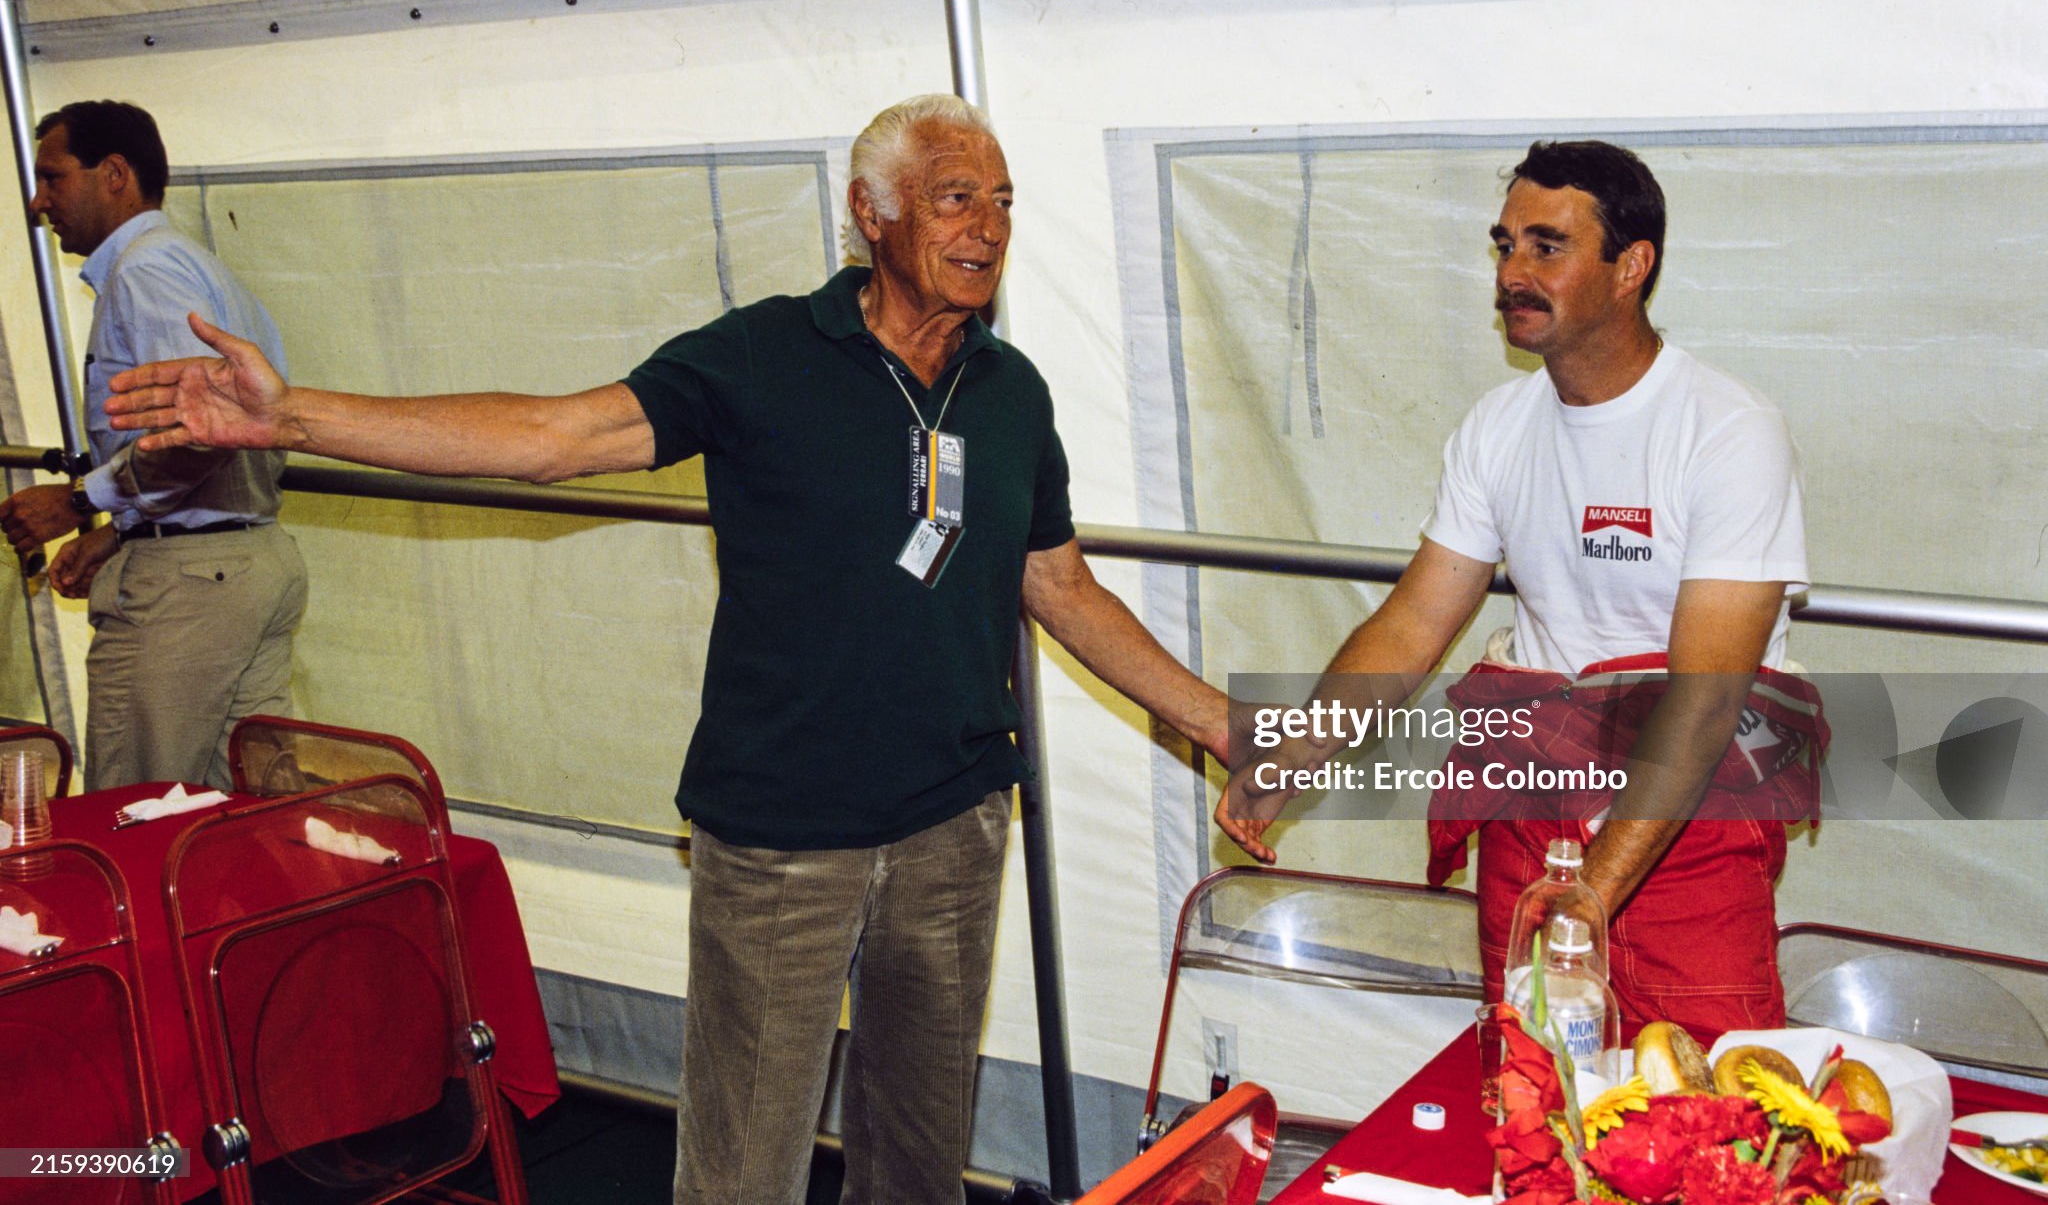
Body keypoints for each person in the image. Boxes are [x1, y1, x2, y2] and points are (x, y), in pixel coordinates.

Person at [105, 94, 1230, 1205]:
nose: (985, 226)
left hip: (953, 824)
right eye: (952, 199)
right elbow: (553, 436)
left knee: (918, 1165)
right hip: (783, 836)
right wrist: (295, 416)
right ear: (870, 213)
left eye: (1000, 202)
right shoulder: (762, 355)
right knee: (742, 1168)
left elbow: (1059, 582)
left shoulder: (1010, 390)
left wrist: (1223, 723)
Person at [1220, 140, 1820, 1031]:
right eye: (1504, 245)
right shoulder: (1498, 427)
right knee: (1530, 1096)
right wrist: (1293, 755)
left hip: (1683, 834)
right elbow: (1413, 622)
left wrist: (1597, 892)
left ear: (1632, 267)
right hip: (1531, 815)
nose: (1513, 272)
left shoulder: (1727, 430)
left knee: (1705, 1118)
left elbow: (1706, 702)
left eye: (1547, 247)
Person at [0, 100, 305, 791]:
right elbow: (221, 440)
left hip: (189, 590)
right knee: (244, 813)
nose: (37, 199)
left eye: (52, 177)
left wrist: (79, 501)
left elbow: (200, 435)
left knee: (134, 809)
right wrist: (118, 535)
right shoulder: (190, 265)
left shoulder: (144, 272)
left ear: (114, 174)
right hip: (242, 562)